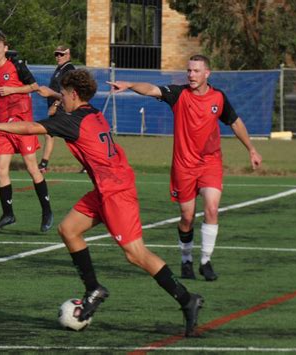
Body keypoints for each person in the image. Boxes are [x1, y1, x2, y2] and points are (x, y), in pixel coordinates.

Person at [0, 69, 204, 337]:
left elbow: (31, 127)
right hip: (106, 187)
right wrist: (55, 94)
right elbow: (69, 106)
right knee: (68, 230)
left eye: (65, 94)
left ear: (74, 95)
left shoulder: (71, 122)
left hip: (116, 192)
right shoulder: (91, 111)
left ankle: (187, 299)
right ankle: (93, 289)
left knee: (135, 254)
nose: (62, 99)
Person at [108, 54, 262, 281]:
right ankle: (186, 259)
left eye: (196, 71)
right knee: (187, 216)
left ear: (207, 73)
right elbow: (151, 89)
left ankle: (206, 261)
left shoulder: (218, 97)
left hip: (210, 163)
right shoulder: (178, 94)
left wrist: (251, 149)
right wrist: (130, 84)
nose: (191, 75)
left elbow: (235, 122)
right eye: (189, 70)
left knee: (211, 208)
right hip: (184, 167)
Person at [0, 31, 53, 232]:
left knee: (32, 168)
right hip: (4, 126)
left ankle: (47, 211)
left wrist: (13, 90)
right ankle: (8, 214)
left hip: (23, 124)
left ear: (5, 48)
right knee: (0, 168)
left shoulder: (17, 65)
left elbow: (34, 87)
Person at [37, 45, 76, 173]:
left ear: (68, 55)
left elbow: (67, 92)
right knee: (50, 133)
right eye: (56, 54)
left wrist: (55, 105)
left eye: (61, 54)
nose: (58, 57)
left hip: (62, 107)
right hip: (57, 105)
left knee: (71, 137)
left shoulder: (68, 69)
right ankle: (43, 164)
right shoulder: (60, 68)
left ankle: (43, 164)